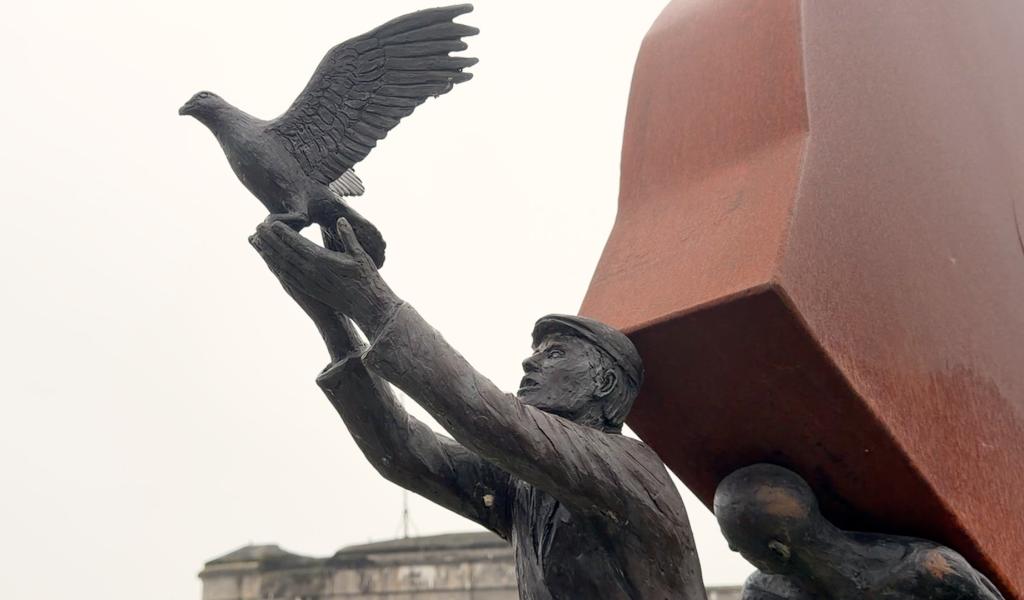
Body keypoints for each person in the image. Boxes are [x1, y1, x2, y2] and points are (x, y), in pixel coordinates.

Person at [248, 218, 707, 600]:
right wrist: (331, 317)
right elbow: (403, 450)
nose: (529, 362)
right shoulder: (527, 484)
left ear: (603, 383)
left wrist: (369, 300)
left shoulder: (627, 466)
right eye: (537, 351)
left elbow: (490, 419)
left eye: (554, 353)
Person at [714, 464, 1006, 600]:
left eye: (736, 545)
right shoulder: (765, 594)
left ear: (778, 551)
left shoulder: (927, 571)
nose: (732, 550)